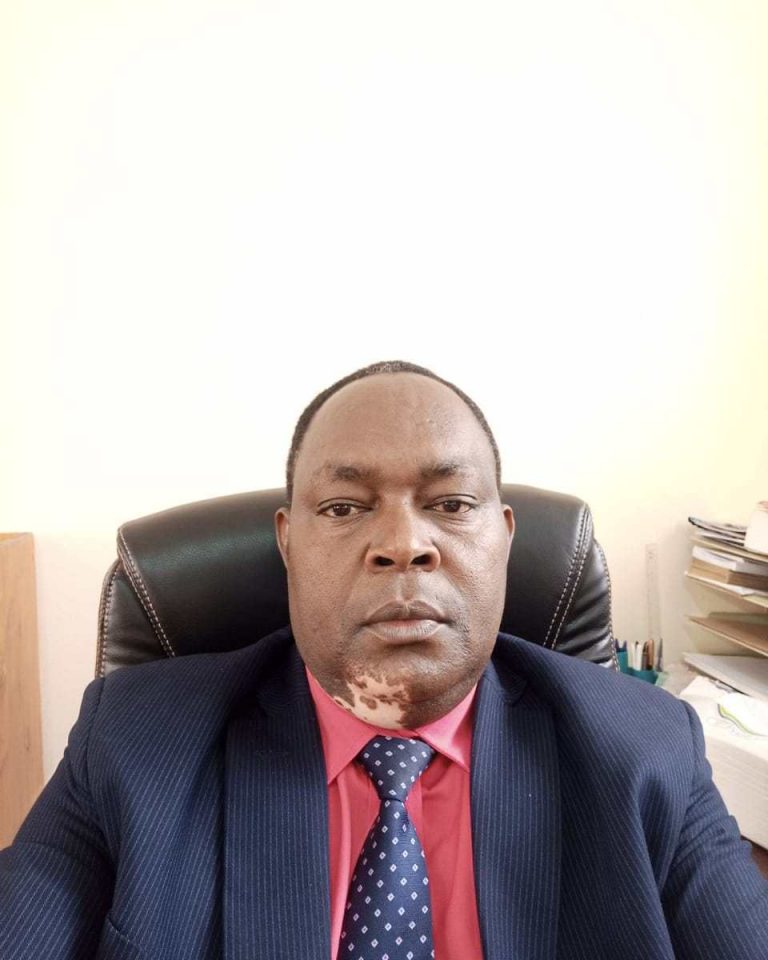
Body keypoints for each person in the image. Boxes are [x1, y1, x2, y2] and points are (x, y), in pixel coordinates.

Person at [1, 360, 767, 960]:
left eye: (450, 504)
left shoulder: (647, 753)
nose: (403, 544)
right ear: (288, 542)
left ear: (503, 538)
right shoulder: (131, 746)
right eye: (344, 508)